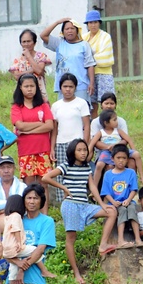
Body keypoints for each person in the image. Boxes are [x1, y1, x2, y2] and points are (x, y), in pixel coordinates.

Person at [42, 139, 118, 281]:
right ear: (73, 152)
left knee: (111, 211)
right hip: (70, 205)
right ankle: (76, 273)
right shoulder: (66, 166)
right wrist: (64, 188)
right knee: (71, 239)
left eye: (85, 150)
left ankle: (103, 244)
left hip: (84, 204)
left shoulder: (87, 167)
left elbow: (93, 187)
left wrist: (101, 204)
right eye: (79, 150)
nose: (83, 153)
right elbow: (46, 177)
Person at [2, 196, 55, 284]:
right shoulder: (16, 216)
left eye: (35, 198)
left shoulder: (7, 217)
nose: (31, 202)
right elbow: (16, 229)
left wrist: (20, 265)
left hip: (7, 249)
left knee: (13, 270)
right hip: (15, 247)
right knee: (34, 250)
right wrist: (19, 242)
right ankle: (44, 270)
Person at [49, 72, 91, 203]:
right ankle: (63, 203)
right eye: (65, 86)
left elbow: (86, 126)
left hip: (77, 144)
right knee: (61, 174)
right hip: (61, 144)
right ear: (60, 87)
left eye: (71, 86)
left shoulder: (82, 103)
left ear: (75, 88)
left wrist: (86, 146)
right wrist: (52, 148)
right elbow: (54, 129)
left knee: (77, 173)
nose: (68, 89)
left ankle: (79, 200)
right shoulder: (56, 106)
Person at [11, 73, 54, 189]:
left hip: (43, 149)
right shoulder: (16, 107)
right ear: (20, 88)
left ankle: (44, 208)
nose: (29, 89)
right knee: (28, 184)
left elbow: (50, 125)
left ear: (37, 87)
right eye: (26, 86)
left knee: (44, 183)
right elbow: (20, 126)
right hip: (26, 150)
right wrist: (40, 124)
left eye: (32, 86)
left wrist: (29, 131)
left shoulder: (43, 105)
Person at [41, 18, 95, 102]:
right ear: (63, 31)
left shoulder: (84, 45)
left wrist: (91, 83)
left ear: (77, 30)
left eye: (72, 28)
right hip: (63, 86)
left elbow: (90, 65)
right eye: (67, 29)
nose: (70, 31)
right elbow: (43, 35)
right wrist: (57, 22)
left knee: (81, 110)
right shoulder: (59, 43)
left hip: (81, 85)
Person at [100, 145, 143, 248]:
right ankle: (120, 240)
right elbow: (106, 192)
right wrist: (113, 202)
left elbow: (134, 189)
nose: (121, 161)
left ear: (128, 159)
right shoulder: (108, 174)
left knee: (132, 209)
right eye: (118, 158)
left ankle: (138, 239)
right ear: (112, 159)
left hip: (128, 201)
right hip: (114, 202)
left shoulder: (131, 172)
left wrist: (128, 200)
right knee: (122, 211)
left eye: (124, 158)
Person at [90, 109, 141, 191]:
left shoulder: (118, 131)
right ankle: (95, 188)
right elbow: (92, 142)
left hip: (120, 150)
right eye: (114, 120)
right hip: (107, 152)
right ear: (106, 123)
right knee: (99, 165)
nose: (117, 121)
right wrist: (89, 152)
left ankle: (141, 178)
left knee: (137, 154)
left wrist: (133, 150)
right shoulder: (101, 132)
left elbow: (128, 139)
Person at [82, 10, 114, 116]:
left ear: (99, 23)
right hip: (89, 74)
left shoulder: (105, 36)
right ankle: (94, 127)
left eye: (95, 22)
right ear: (87, 24)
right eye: (90, 23)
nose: (93, 25)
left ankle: (108, 125)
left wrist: (88, 60)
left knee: (107, 104)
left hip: (104, 74)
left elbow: (106, 56)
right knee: (92, 104)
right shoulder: (84, 38)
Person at [10, 29, 53, 103]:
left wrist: (28, 56)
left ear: (34, 42)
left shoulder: (41, 56)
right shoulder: (18, 60)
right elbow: (17, 76)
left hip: (39, 92)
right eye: (24, 42)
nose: (26, 44)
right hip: (23, 94)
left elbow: (39, 71)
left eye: (29, 41)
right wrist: (32, 70)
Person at [0, 156, 28, 230]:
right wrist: (15, 204)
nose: (6, 171)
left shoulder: (23, 187)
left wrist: (0, 211)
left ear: (14, 168)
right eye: (2, 168)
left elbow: (22, 208)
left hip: (20, 224)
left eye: (9, 167)